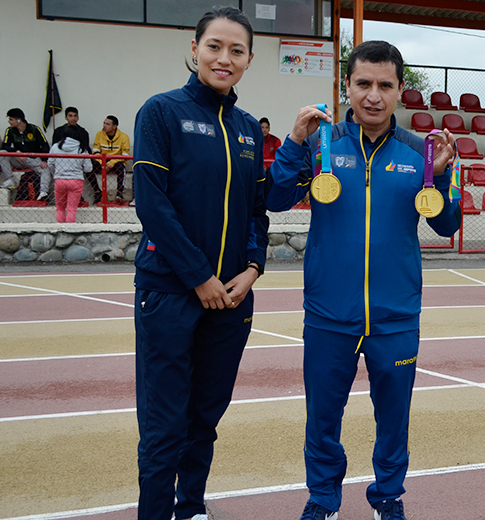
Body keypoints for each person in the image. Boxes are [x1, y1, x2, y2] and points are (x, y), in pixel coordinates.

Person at [265, 40, 461, 520]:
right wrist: (292, 142)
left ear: (400, 91)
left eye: (385, 85)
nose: (373, 95)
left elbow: (447, 224)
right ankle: (323, 498)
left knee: (393, 418)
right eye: (363, 84)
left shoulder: (422, 151)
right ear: (347, 87)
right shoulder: (320, 142)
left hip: (395, 316)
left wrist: (440, 177)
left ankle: (388, 497)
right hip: (330, 313)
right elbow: (273, 198)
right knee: (323, 417)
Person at [131, 7, 269, 520]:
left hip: (231, 299)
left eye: (236, 50)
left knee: (205, 418)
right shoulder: (161, 112)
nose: (224, 58)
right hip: (170, 293)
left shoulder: (248, 128)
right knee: (164, 424)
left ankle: (190, 507)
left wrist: (252, 269)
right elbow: (153, 206)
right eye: (214, 46)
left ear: (249, 60)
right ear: (194, 50)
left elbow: (257, 212)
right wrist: (199, 277)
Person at [1, 108, 51, 199]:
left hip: (33, 159)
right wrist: (17, 152)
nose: (9, 122)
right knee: (2, 153)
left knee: (45, 168)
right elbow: (5, 146)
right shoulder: (10, 131)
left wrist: (44, 160)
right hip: (18, 159)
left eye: (11, 119)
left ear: (19, 120)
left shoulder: (34, 129)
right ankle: (10, 179)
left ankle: (43, 192)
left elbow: (45, 145)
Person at [47, 125, 92, 222]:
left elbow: (50, 163)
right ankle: (70, 231)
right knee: (72, 209)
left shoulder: (56, 147)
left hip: (60, 180)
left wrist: (56, 173)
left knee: (60, 208)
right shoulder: (82, 149)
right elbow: (89, 168)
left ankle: (61, 230)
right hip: (76, 181)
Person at [91, 115, 131, 203]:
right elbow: (95, 152)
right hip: (102, 160)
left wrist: (111, 163)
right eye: (104, 123)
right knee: (89, 168)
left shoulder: (124, 137)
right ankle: (97, 191)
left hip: (117, 161)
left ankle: (119, 194)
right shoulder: (99, 134)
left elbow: (124, 156)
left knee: (121, 169)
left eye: (108, 124)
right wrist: (103, 163)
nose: (104, 126)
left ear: (114, 126)